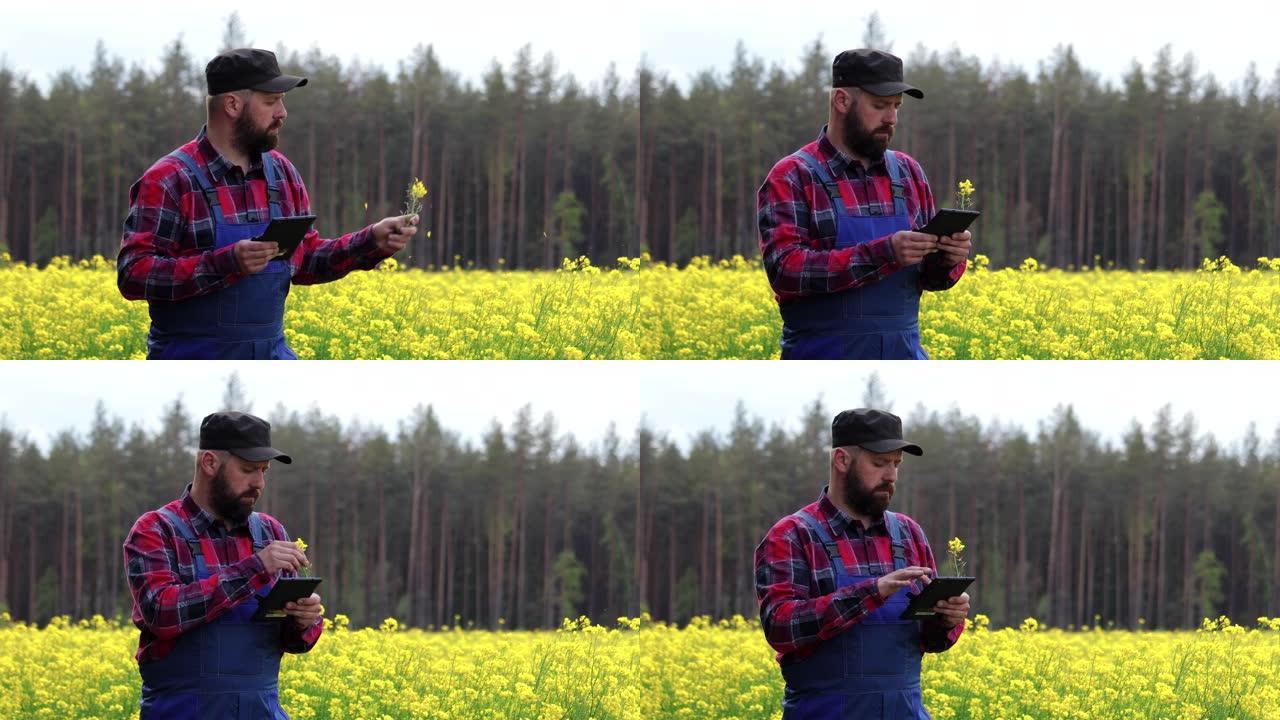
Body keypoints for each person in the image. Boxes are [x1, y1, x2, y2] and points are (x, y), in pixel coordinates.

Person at [118, 48, 419, 359]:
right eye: (271, 101)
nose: (282, 112)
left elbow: (306, 260)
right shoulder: (170, 179)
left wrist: (371, 241)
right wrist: (226, 263)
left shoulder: (282, 173)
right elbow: (133, 275)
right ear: (233, 105)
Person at [754, 408, 970, 719]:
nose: (891, 476)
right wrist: (873, 592)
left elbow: (927, 640)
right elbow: (781, 627)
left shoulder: (909, 533)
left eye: (896, 464)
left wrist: (946, 620)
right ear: (841, 460)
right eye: (879, 463)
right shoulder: (792, 535)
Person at [757, 49, 973, 359]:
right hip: (820, 357)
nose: (891, 119)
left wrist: (948, 259)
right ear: (842, 101)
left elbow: (927, 277)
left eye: (897, 107)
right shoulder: (792, 176)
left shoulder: (909, 173)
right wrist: (885, 253)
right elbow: (786, 271)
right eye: (880, 105)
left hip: (905, 355)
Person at [124, 411, 323, 719]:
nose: (258, 483)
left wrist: (303, 622)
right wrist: (256, 569)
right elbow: (162, 613)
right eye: (247, 469)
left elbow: (291, 642)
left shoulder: (270, 533)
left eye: (264, 471)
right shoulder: (156, 529)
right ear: (209, 463)